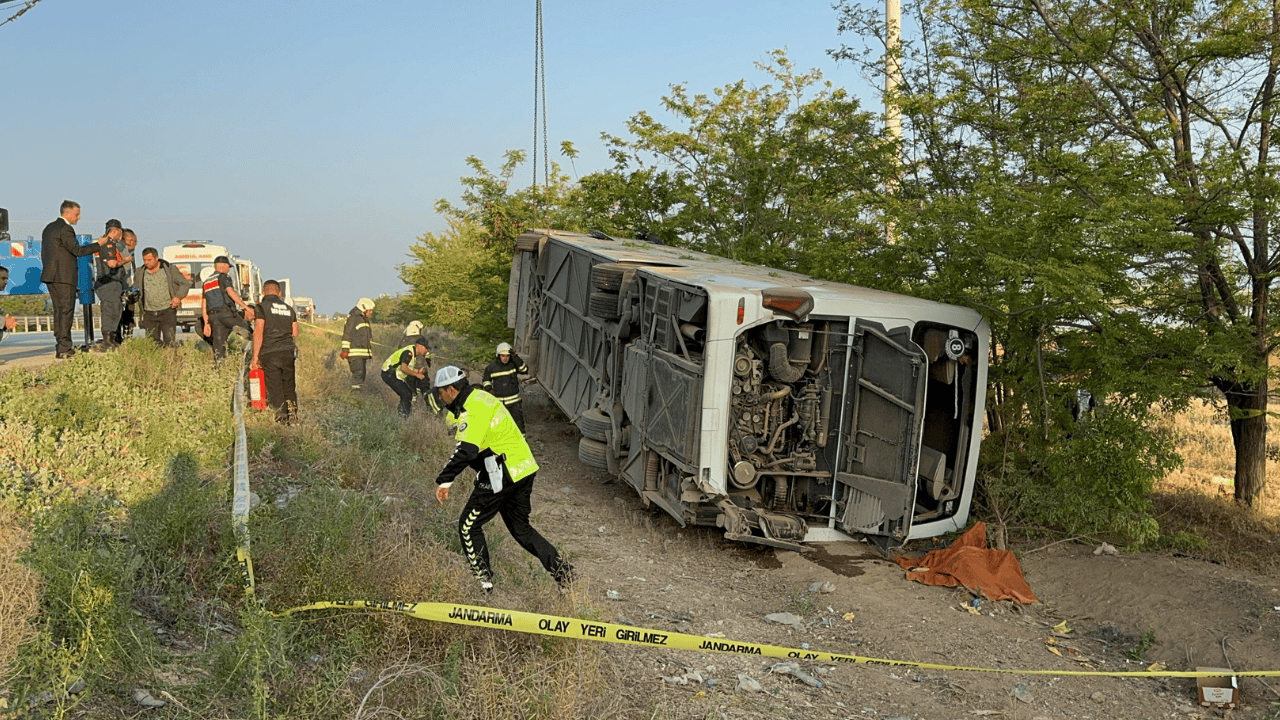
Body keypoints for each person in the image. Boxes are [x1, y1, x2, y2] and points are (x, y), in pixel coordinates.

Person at [433, 365, 574, 591]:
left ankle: (483, 584)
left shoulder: (472, 407)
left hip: (502, 471)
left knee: (468, 526)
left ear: (450, 390)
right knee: (521, 529)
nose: (441, 399)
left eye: (440, 393)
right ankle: (563, 573)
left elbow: (467, 450)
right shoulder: (481, 397)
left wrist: (444, 480)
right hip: (524, 468)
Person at [40, 200, 101, 359]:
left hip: (51, 276)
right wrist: (97, 245)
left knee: (59, 311)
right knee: (66, 311)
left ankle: (61, 345)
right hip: (64, 276)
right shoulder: (65, 229)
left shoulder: (49, 228)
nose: (79, 217)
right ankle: (64, 348)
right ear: (67, 213)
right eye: (77, 214)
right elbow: (78, 250)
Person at [250, 280, 298, 424]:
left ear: (263, 292)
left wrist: (255, 357)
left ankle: (282, 420)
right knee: (289, 386)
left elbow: (259, 331)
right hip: (288, 352)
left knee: (276, 387)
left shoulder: (262, 307)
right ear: (279, 293)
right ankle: (293, 417)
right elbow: (295, 332)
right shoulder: (289, 309)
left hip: (270, 352)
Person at [201, 255, 255, 360]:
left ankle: (220, 367)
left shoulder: (206, 282)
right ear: (223, 266)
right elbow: (230, 292)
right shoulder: (224, 276)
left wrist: (206, 323)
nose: (229, 269)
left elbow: (204, 304)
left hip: (213, 317)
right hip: (226, 313)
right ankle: (257, 353)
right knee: (249, 331)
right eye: (228, 266)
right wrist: (246, 307)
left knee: (219, 344)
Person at [137, 247, 191, 347]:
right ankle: (156, 361)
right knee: (152, 343)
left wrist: (178, 297)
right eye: (144, 260)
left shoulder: (169, 269)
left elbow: (185, 284)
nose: (147, 262)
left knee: (169, 341)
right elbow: (135, 288)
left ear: (156, 258)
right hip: (149, 312)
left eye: (149, 260)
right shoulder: (140, 272)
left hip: (167, 311)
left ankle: (171, 360)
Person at [92, 219, 132, 350]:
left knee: (113, 310)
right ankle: (107, 341)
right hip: (108, 282)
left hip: (108, 282)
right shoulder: (109, 244)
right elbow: (112, 264)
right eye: (120, 232)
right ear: (114, 231)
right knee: (111, 311)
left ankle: (110, 339)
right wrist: (126, 260)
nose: (121, 235)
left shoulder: (103, 243)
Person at [481, 342, 531, 431]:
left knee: (518, 424)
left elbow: (524, 370)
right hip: (499, 402)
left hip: (514, 402)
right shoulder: (491, 368)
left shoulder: (514, 364)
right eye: (503, 356)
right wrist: (489, 389)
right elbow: (486, 381)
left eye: (507, 356)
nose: (505, 358)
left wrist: (516, 358)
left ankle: (521, 442)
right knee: (499, 425)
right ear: (498, 355)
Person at [380, 336, 431, 417]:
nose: (427, 350)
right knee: (406, 394)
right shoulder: (408, 352)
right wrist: (417, 375)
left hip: (391, 373)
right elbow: (403, 368)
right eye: (426, 348)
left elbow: (407, 367)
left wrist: (418, 371)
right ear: (420, 346)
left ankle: (401, 415)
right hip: (388, 373)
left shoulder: (412, 353)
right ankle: (403, 416)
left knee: (407, 394)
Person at [340, 298, 375, 388]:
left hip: (362, 354)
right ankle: (356, 395)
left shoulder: (364, 319)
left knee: (362, 375)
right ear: (363, 308)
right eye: (369, 310)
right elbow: (347, 335)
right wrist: (345, 350)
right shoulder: (353, 318)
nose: (371, 312)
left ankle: (359, 394)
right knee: (358, 375)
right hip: (355, 354)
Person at [116, 229, 139, 342]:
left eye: (135, 241)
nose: (133, 244)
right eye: (130, 241)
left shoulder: (131, 255)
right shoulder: (119, 251)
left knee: (129, 315)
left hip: (130, 289)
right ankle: (117, 338)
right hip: (120, 289)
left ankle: (128, 336)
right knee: (118, 314)